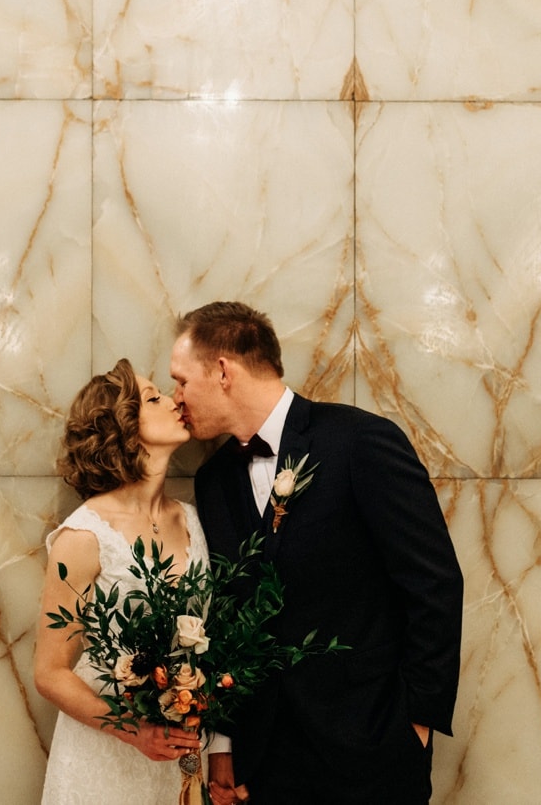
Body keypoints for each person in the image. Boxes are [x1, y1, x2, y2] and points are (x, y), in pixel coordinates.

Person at [172, 302, 463, 805]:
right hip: (265, 764)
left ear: (222, 371)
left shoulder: (360, 441)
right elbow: (224, 614)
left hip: (370, 748)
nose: (177, 397)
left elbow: (434, 582)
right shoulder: (213, 480)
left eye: (181, 380)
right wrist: (224, 742)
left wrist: (415, 721)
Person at [35, 359, 209, 804]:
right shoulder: (82, 537)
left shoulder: (192, 520)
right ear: (124, 428)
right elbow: (50, 673)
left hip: (181, 756)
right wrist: (135, 732)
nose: (173, 402)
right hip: (104, 758)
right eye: (154, 398)